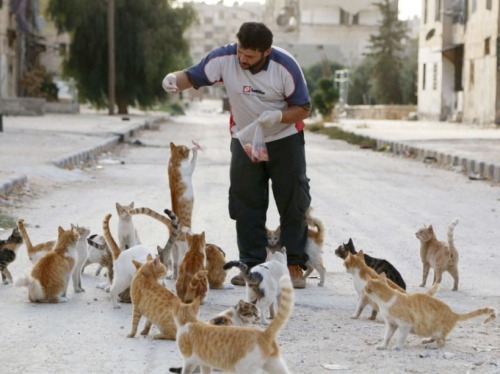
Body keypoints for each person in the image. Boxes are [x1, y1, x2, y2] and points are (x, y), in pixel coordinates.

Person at [162, 22, 312, 289]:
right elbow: (192, 75)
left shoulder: (285, 66)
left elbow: (303, 107)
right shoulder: (225, 58)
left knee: (293, 201)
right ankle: (251, 265)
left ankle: (295, 265)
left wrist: (278, 115)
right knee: (245, 203)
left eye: (250, 56)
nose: (243, 59)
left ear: (265, 52)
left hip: (284, 140)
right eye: (241, 51)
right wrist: (173, 80)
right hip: (244, 140)